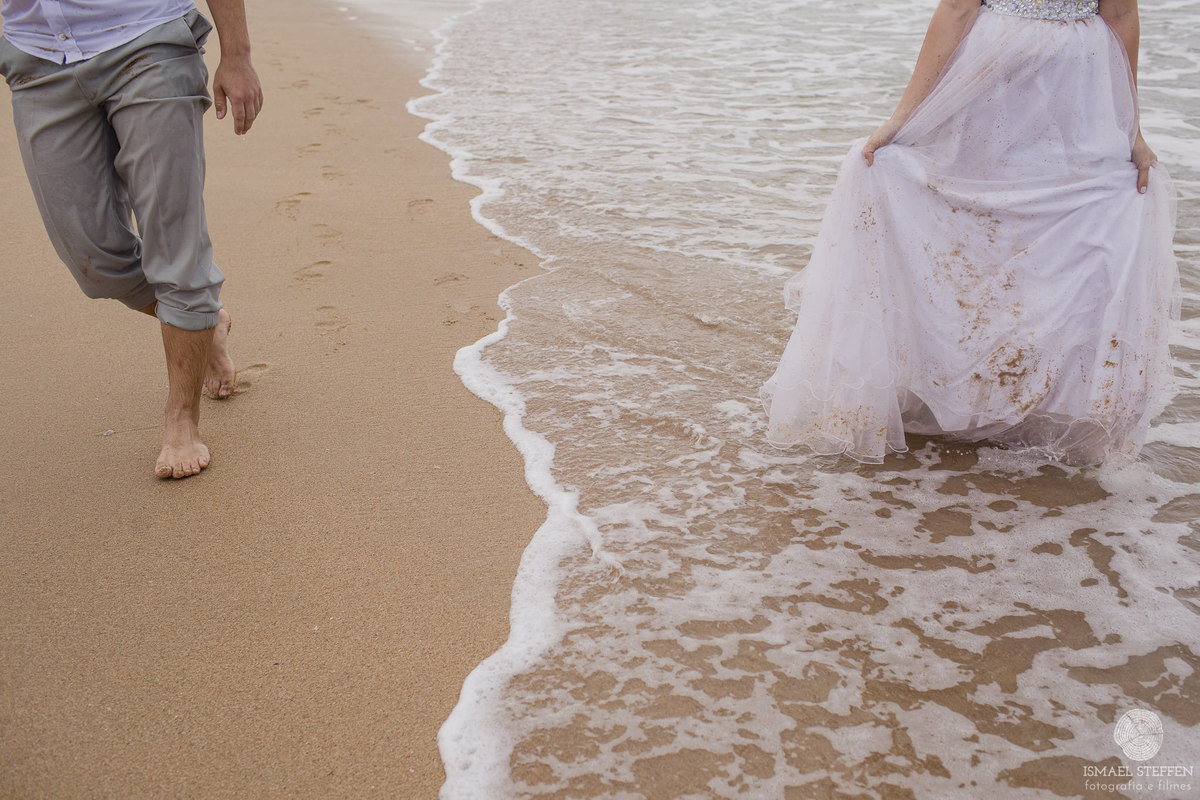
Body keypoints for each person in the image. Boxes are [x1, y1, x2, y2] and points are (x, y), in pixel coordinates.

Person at [760, 0, 1179, 465]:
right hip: (992, 83)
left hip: (1079, 94)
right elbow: (958, 8)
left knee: (1081, 233)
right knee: (979, 233)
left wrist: (1131, 130)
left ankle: (1037, 410)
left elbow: (1119, 13)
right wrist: (903, 117)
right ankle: (960, 399)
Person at [0, 0, 263, 478]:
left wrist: (236, 53)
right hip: (37, 56)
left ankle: (181, 420)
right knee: (94, 261)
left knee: (175, 246)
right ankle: (206, 322)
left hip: (148, 40)